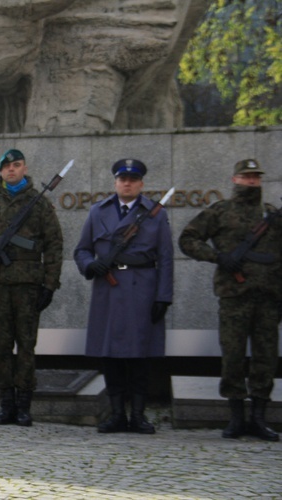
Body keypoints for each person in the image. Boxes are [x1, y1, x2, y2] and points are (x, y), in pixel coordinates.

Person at [0, 149, 63, 427]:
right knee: (1, 346)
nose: (12, 170)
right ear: (1, 171)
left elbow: (54, 244)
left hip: (29, 286)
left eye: (17, 165)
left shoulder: (40, 204)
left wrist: (50, 285)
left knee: (26, 345)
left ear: (24, 168)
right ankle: (5, 404)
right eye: (7, 167)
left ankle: (25, 405)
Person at [178, 159, 281, 442]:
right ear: (235, 179)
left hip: (268, 299)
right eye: (246, 176)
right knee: (233, 358)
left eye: (255, 177)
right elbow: (188, 239)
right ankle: (236, 418)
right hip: (234, 297)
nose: (251, 181)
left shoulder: (271, 214)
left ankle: (259, 418)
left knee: (266, 360)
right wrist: (218, 257)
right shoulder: (220, 211)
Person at [74, 159, 173, 434]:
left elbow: (166, 257)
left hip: (143, 288)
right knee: (110, 354)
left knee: (139, 354)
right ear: (115, 183)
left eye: (132, 179)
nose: (127, 183)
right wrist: (90, 265)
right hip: (108, 287)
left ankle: (138, 416)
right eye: (122, 179)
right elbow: (81, 250)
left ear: (141, 184)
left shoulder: (154, 213)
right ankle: (117, 414)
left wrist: (163, 296)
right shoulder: (98, 211)